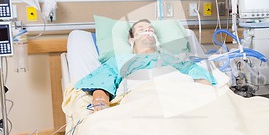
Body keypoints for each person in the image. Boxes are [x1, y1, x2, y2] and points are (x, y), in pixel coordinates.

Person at [75, 19, 216, 112]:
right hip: (143, 96)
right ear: (131, 39)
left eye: (150, 29)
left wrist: (207, 97)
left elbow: (196, 73)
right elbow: (102, 82)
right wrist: (100, 102)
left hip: (180, 94)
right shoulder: (121, 60)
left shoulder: (172, 58)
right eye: (141, 29)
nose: (148, 31)